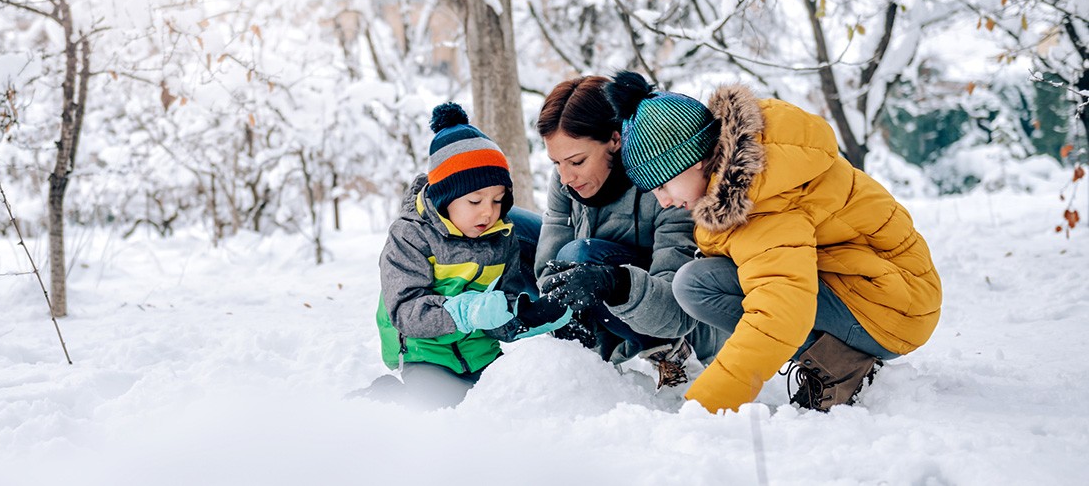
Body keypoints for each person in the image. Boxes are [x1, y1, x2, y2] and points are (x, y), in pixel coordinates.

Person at [603, 70, 942, 412]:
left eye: (662, 185)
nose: (663, 201)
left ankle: (840, 368)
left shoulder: (761, 196)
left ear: (695, 160)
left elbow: (779, 312)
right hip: (880, 290)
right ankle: (838, 360)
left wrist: (705, 405)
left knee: (699, 285)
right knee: (699, 280)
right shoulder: (753, 165)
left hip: (892, 310)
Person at [517, 75, 729, 389]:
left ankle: (670, 356)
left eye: (577, 161)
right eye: (556, 163)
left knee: (581, 254)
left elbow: (676, 310)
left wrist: (611, 283)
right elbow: (549, 263)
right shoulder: (565, 179)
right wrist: (557, 305)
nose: (565, 177)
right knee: (507, 226)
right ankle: (564, 345)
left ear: (615, 140)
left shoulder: (668, 185)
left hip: (674, 319)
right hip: (597, 295)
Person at [359, 102, 573, 410]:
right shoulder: (410, 236)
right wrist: (467, 312)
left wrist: (524, 317)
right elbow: (405, 311)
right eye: (475, 201)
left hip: (482, 353)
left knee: (509, 407)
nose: (488, 212)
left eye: (498, 200)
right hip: (426, 355)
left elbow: (503, 302)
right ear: (446, 197)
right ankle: (388, 395)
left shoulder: (501, 237)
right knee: (439, 411)